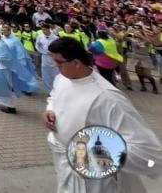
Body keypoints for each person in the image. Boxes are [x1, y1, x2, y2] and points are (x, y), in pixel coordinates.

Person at [43, 37, 162, 192]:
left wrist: (95, 153)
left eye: (59, 63)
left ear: (77, 63)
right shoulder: (62, 78)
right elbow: (54, 96)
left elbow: (148, 152)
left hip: (95, 179)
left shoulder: (107, 98)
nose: (54, 66)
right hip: (65, 165)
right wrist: (49, 109)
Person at [35, 21, 59, 91]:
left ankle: (56, 89)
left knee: (55, 74)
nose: (43, 31)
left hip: (53, 58)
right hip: (44, 57)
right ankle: (50, 90)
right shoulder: (40, 36)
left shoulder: (55, 38)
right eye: (42, 29)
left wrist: (53, 53)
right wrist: (43, 51)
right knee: (46, 74)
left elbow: (58, 47)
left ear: (49, 29)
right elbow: (37, 45)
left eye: (45, 29)